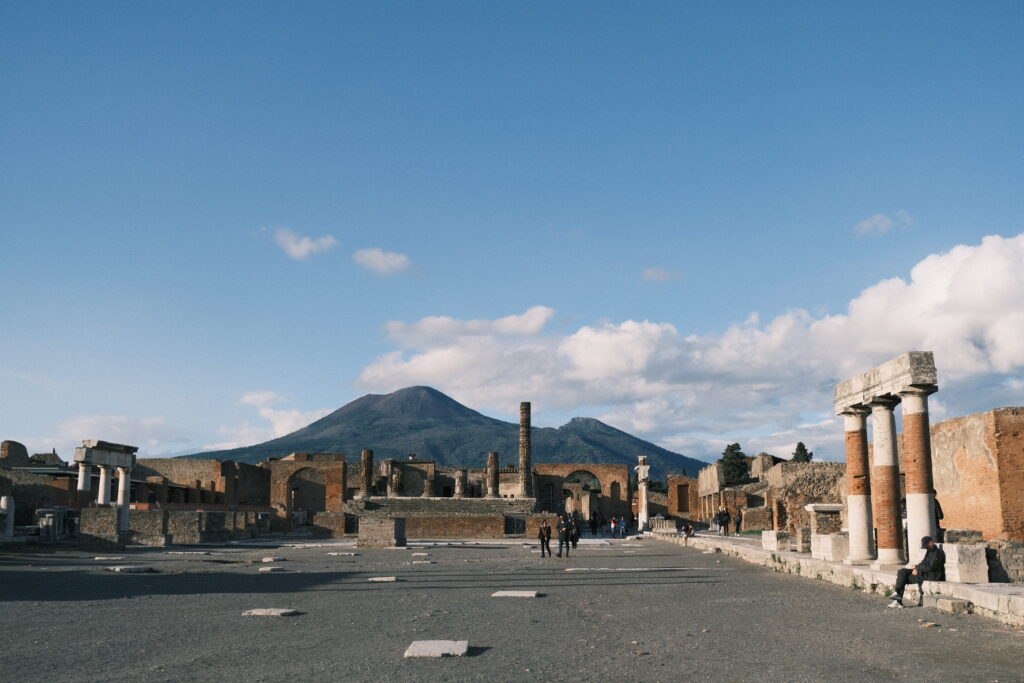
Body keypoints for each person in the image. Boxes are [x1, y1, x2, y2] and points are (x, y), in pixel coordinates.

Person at [888, 536, 946, 608]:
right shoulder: (929, 551)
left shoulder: (937, 553)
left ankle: (898, 600)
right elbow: (923, 562)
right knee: (902, 572)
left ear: (931, 543)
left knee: (904, 578)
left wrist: (917, 568)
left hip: (931, 575)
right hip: (924, 572)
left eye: (926, 546)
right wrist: (916, 567)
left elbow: (930, 568)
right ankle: (897, 594)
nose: (925, 548)